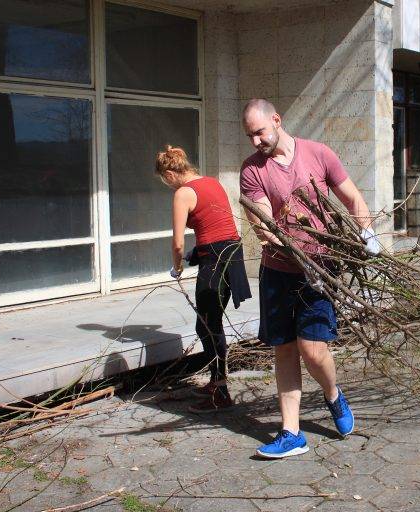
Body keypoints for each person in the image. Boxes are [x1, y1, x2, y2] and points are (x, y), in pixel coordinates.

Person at [240, 99, 380, 459]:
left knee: (313, 349)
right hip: (278, 271)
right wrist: (274, 236)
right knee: (284, 348)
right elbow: (264, 222)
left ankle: (333, 395)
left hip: (320, 270)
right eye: (249, 136)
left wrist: (368, 232)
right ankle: (292, 433)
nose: (255, 141)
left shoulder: (319, 154)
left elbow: (351, 196)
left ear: (276, 119)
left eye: (259, 132)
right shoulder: (252, 170)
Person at [156, 145, 252, 413]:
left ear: (168, 174)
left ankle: (220, 391)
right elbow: (215, 224)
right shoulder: (212, 182)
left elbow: (176, 242)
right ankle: (216, 381)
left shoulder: (182, 193)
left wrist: (177, 267)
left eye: (164, 180)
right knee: (210, 322)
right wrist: (195, 253)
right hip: (231, 254)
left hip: (216, 262)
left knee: (208, 325)